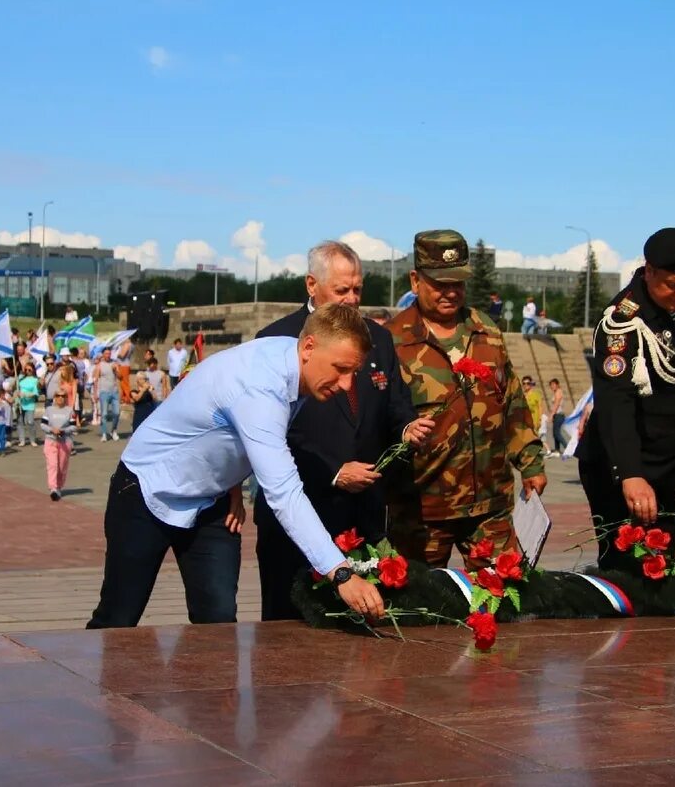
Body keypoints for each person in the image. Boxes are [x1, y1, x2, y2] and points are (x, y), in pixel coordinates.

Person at [88, 304, 385, 629]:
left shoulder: (293, 359)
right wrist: (341, 573)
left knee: (218, 626)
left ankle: (201, 680)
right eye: (340, 369)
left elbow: (231, 433)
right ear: (309, 347)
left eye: (353, 372)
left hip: (212, 502)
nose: (346, 385)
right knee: (117, 619)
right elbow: (284, 493)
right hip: (146, 492)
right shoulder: (259, 386)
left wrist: (232, 487)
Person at [252, 240, 428, 621]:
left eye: (358, 289)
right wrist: (332, 470)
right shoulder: (277, 340)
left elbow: (395, 404)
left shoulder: (377, 339)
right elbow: (273, 434)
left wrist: (408, 430)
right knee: (286, 631)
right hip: (298, 511)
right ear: (311, 285)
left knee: (353, 635)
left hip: (360, 515)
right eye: (342, 289)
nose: (352, 299)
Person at [386, 229, 546, 569]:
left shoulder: (486, 331)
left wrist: (531, 461)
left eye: (457, 283)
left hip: (491, 506)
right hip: (423, 511)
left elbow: (513, 402)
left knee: (505, 601)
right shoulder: (392, 342)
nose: (450, 292)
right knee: (420, 609)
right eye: (439, 283)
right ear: (416, 280)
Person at [576, 227, 675, 570]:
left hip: (668, 461)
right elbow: (614, 405)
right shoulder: (622, 323)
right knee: (626, 571)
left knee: (660, 566)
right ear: (649, 271)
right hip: (622, 463)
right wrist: (630, 475)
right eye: (674, 285)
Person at [41, 390, 77, 499]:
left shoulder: (70, 411)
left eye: (63, 396)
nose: (60, 398)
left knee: (61, 467)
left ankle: (59, 486)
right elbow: (43, 424)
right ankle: (53, 488)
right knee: (52, 465)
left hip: (65, 442)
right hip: (51, 441)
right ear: (54, 397)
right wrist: (52, 429)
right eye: (58, 396)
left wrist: (63, 431)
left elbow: (74, 426)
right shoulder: (49, 410)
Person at [92, 347, 121, 441]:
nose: (108, 355)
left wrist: (116, 370)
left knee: (116, 413)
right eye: (106, 354)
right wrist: (95, 393)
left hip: (114, 391)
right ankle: (104, 433)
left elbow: (121, 377)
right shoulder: (99, 365)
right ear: (103, 355)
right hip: (104, 391)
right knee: (104, 414)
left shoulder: (115, 364)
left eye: (109, 353)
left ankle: (113, 430)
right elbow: (95, 380)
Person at [16, 362, 41, 446]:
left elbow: (36, 392)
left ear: (33, 370)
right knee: (20, 422)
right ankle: (22, 440)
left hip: (30, 403)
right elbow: (15, 388)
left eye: (29, 369)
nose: (27, 371)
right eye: (26, 370)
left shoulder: (35, 380)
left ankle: (32, 440)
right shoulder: (21, 379)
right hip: (20, 402)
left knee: (30, 422)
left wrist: (27, 394)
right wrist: (18, 393)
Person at [546, 378, 566, 456]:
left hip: (559, 415)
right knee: (555, 433)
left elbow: (556, 404)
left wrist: (551, 415)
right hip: (556, 415)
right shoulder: (556, 392)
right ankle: (557, 449)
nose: (552, 386)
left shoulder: (558, 392)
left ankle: (567, 447)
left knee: (557, 433)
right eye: (551, 385)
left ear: (557, 385)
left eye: (553, 384)